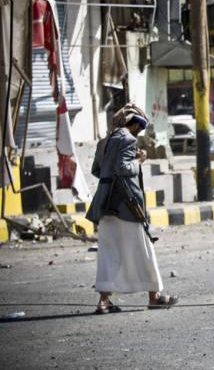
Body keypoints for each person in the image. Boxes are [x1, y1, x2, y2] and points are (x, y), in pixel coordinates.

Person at [86, 104, 178, 314]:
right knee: (144, 250)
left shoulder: (104, 142)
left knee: (109, 254)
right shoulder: (127, 139)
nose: (139, 132)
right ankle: (154, 297)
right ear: (135, 125)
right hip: (126, 205)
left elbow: (97, 170)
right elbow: (123, 168)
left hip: (105, 205)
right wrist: (139, 160)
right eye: (140, 128)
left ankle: (103, 302)